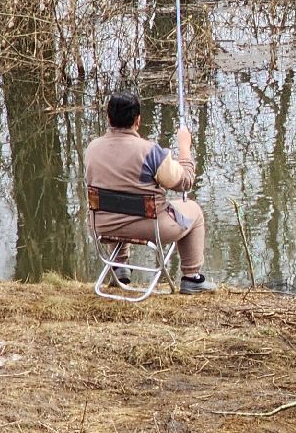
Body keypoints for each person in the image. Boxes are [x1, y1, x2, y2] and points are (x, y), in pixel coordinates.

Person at [83, 90, 217, 294]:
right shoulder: (150, 152)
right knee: (194, 211)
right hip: (149, 227)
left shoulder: (92, 148)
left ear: (108, 117)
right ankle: (192, 277)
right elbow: (184, 182)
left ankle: (119, 266)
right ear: (138, 120)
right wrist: (184, 148)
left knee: (117, 198)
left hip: (102, 226)